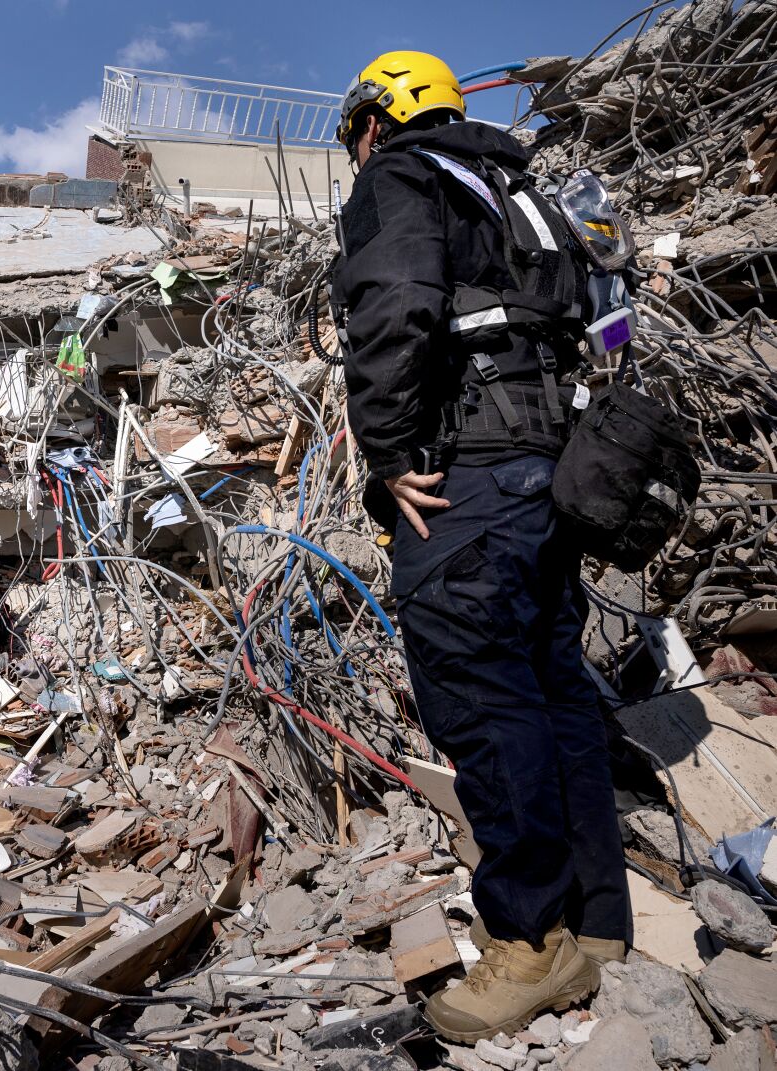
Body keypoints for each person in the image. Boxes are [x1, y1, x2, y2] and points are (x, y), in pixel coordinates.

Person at [332, 51, 630, 1042]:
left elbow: (393, 310)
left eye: (354, 133)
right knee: (554, 688)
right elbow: (608, 323)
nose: (354, 152)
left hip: (469, 482)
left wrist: (385, 452)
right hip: (554, 476)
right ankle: (601, 928)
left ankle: (527, 942)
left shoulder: (402, 176)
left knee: (483, 702)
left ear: (380, 117)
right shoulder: (524, 189)